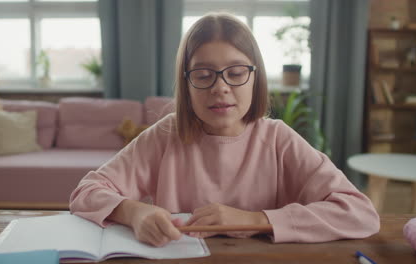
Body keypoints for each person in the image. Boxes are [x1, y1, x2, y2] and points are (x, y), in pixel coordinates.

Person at [70, 12, 380, 247]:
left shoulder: (277, 138)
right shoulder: (167, 134)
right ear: (187, 84)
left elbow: (359, 212)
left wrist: (255, 220)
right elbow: (86, 192)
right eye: (204, 75)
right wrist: (134, 212)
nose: (220, 88)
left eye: (235, 73)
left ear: (255, 78)